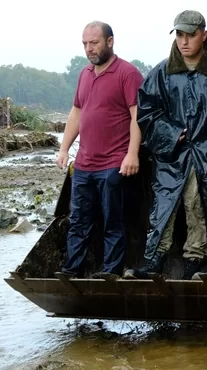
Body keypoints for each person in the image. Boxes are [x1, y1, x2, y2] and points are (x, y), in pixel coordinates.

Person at [130, 10, 207, 279]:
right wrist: (172, 133)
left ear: (203, 35)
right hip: (172, 154)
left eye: (190, 35)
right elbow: (146, 112)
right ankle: (154, 259)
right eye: (179, 35)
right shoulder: (162, 72)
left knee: (198, 204)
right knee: (164, 205)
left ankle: (195, 259)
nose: (184, 41)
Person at [56, 21, 143, 279]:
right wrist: (64, 149)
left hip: (114, 163)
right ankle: (71, 270)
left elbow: (137, 116)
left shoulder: (127, 73)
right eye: (85, 44)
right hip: (84, 164)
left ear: (110, 41)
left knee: (112, 220)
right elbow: (76, 112)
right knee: (78, 221)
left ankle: (110, 272)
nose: (89, 49)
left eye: (94, 43)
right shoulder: (84, 74)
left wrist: (132, 154)